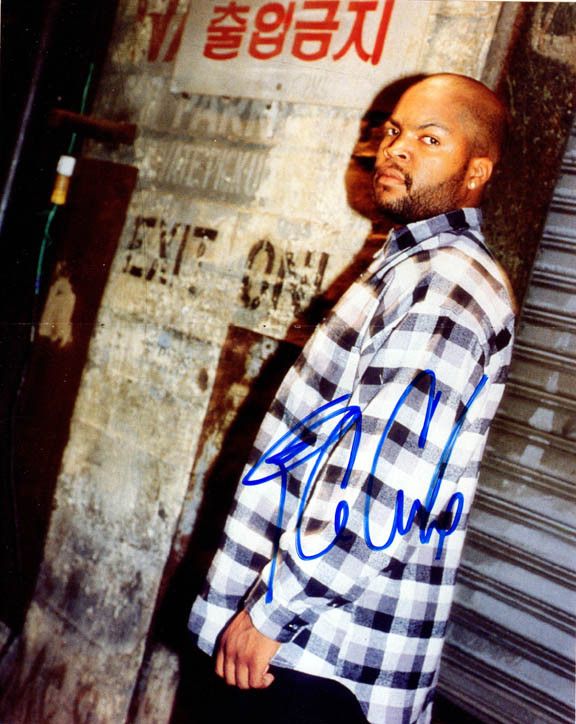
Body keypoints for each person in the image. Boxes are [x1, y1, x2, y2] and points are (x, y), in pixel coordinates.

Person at [188, 73, 516, 724]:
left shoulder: (448, 285)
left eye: (429, 138)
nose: (397, 148)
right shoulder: (412, 266)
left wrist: (273, 612)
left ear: (476, 171)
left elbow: (385, 487)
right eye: (394, 131)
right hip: (308, 644)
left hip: (319, 654)